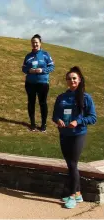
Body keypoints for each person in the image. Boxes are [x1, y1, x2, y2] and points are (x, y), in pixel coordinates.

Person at [52, 66, 96, 209]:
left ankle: (71, 196)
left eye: (74, 78)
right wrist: (58, 120)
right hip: (64, 134)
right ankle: (78, 194)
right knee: (71, 165)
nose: (71, 81)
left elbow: (92, 118)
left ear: (79, 80)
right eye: (69, 79)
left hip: (78, 134)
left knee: (72, 164)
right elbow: (55, 115)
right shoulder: (61, 97)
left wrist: (78, 121)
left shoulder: (86, 97)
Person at [22, 34, 55, 132]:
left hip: (43, 83)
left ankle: (43, 125)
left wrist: (42, 70)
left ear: (40, 43)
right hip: (30, 83)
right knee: (31, 103)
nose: (34, 44)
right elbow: (23, 68)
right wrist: (29, 70)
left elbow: (52, 67)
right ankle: (32, 124)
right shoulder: (28, 56)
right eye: (33, 42)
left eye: (36, 42)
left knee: (42, 103)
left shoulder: (46, 54)